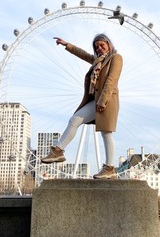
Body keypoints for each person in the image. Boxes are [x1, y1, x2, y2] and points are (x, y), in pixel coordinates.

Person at [41, 33, 123, 179]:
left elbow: (112, 80)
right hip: (95, 100)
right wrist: (67, 45)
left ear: (109, 44)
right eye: (96, 46)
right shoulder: (97, 61)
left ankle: (109, 168)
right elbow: (84, 55)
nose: (99, 48)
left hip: (107, 100)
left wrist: (102, 101)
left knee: (106, 132)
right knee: (75, 120)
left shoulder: (116, 58)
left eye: (102, 45)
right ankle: (58, 152)